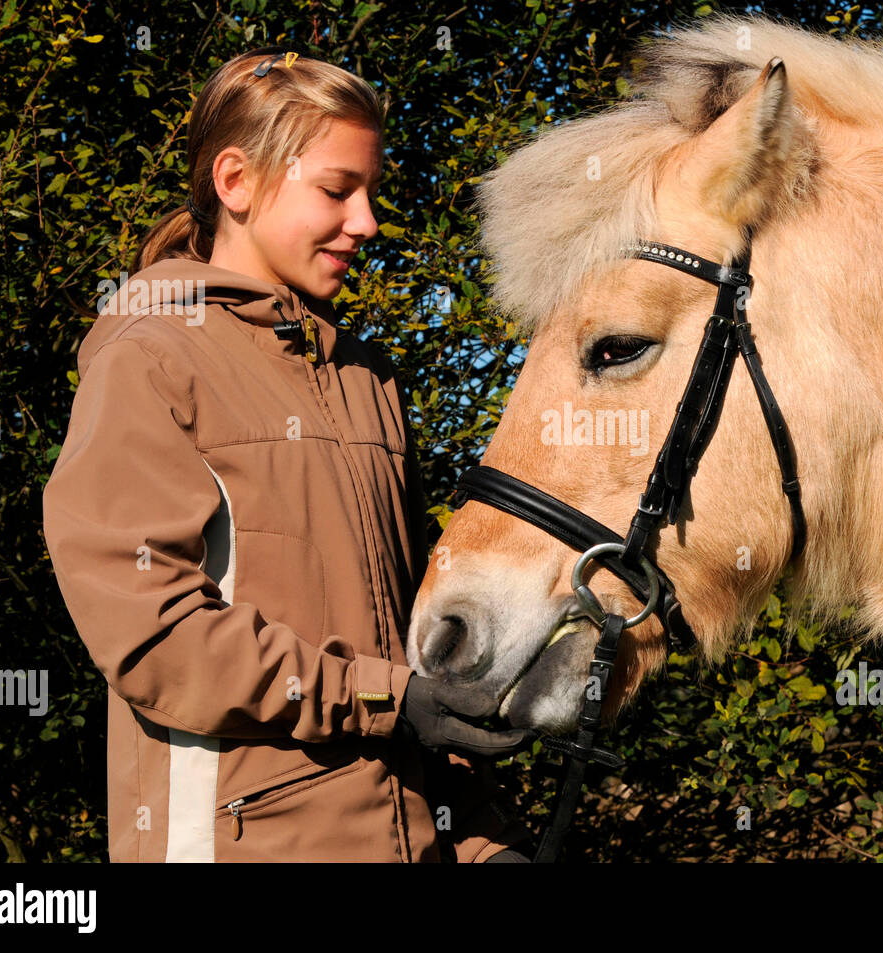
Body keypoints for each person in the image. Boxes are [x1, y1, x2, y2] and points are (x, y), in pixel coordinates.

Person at [42, 47, 536, 862]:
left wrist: (482, 840)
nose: (367, 221)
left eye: (370, 191)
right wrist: (384, 697)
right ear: (235, 182)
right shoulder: (152, 362)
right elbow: (154, 638)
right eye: (338, 191)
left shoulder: (367, 377)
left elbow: (417, 665)